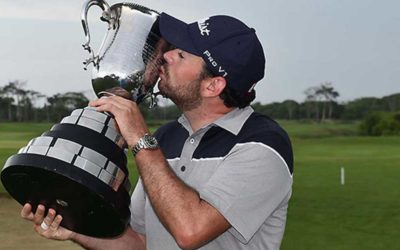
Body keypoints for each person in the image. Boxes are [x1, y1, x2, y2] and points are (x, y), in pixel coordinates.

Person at [21, 12, 293, 250]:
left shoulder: (263, 145)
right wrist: (75, 231)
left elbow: (190, 231)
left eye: (182, 54)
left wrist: (140, 138)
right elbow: (140, 244)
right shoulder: (165, 138)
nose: (166, 55)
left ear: (213, 86)